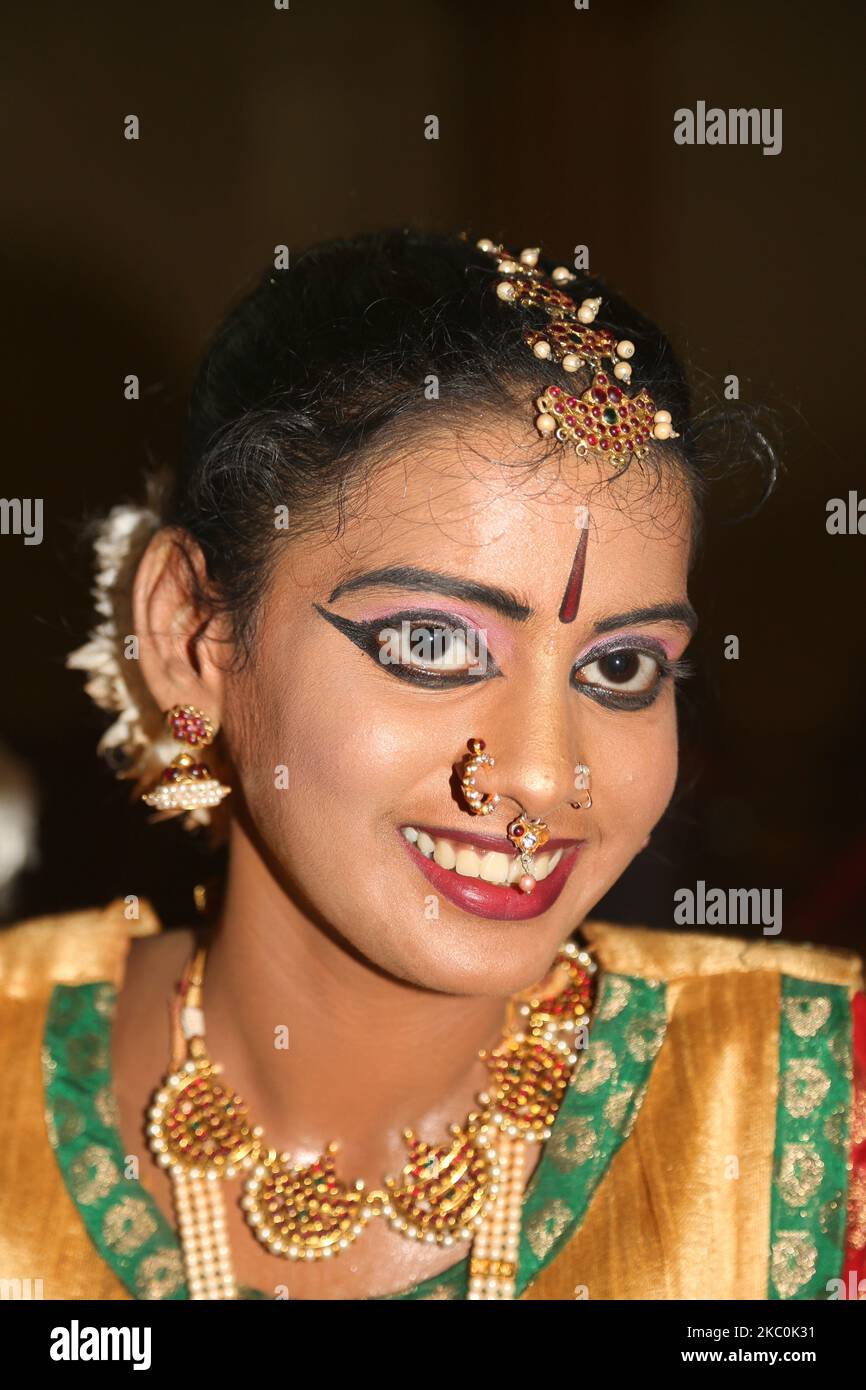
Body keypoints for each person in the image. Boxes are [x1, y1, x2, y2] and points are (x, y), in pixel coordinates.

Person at [0, 230, 863, 1302]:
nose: (546, 778)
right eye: (432, 644)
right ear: (190, 634)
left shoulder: (825, 1114)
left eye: (623, 665)